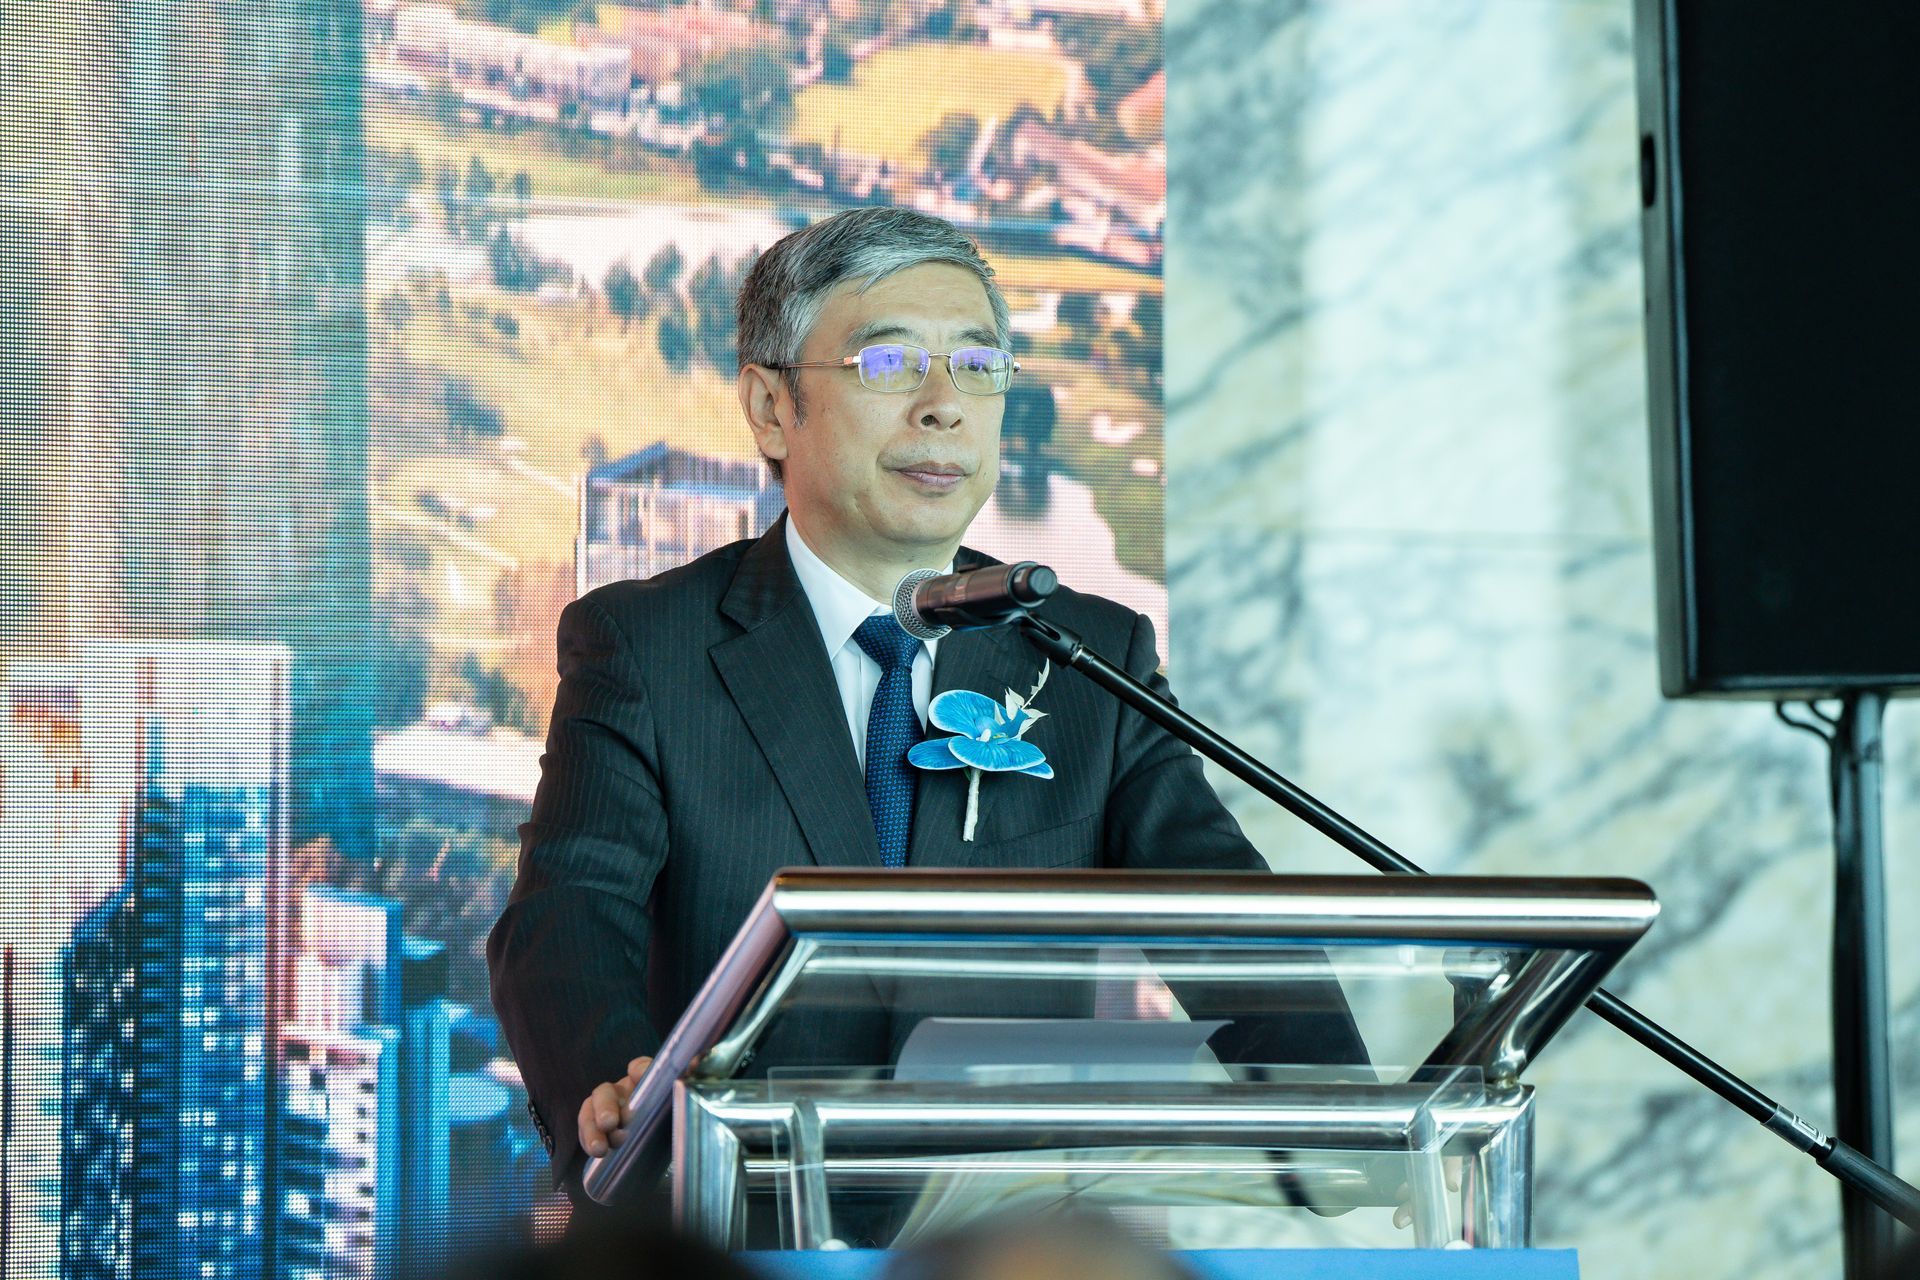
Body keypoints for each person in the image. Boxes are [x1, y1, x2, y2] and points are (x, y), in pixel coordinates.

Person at [486, 207, 1367, 1209]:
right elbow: (566, 919)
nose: (944, 406)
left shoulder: (1086, 656)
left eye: (978, 365)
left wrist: (1352, 1133)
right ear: (771, 409)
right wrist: (618, 1087)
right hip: (728, 1225)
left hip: (1003, 1243)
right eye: (890, 363)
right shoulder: (647, 647)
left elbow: (1228, 933)